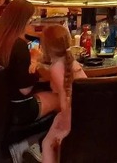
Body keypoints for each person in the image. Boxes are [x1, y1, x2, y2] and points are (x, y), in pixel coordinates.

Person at [0, 0, 59, 161]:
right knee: (61, 100)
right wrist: (35, 62)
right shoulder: (18, 45)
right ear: (23, 21)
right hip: (15, 109)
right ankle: (34, 146)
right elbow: (25, 90)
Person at [39, 25, 88, 163]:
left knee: (47, 144)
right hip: (86, 113)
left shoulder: (56, 69)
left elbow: (65, 98)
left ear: (46, 47)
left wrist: (66, 129)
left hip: (72, 116)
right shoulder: (71, 62)